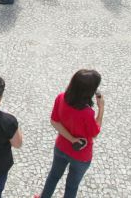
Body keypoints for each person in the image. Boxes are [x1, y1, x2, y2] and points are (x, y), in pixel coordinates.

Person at [35, 70, 104, 198]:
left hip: (61, 147)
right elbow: (95, 133)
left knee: (53, 176)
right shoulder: (87, 113)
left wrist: (72, 139)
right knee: (71, 186)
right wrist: (101, 109)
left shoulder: (61, 97)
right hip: (81, 155)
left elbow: (54, 122)